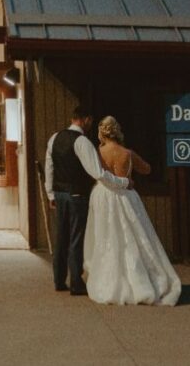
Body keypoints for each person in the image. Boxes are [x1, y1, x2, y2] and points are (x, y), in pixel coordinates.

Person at [83, 115, 181, 305]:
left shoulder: (97, 152)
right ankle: (139, 279)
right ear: (117, 131)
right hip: (125, 196)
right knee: (134, 238)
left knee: (107, 236)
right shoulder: (127, 153)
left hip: (102, 196)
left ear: (101, 133)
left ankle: (108, 279)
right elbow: (147, 169)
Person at [45, 106, 130, 295]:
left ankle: (59, 280)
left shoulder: (54, 138)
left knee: (61, 237)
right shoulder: (82, 141)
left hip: (59, 194)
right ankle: (76, 282)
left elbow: (49, 167)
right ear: (86, 120)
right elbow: (97, 172)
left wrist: (50, 194)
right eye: (90, 121)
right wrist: (122, 182)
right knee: (76, 238)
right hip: (77, 195)